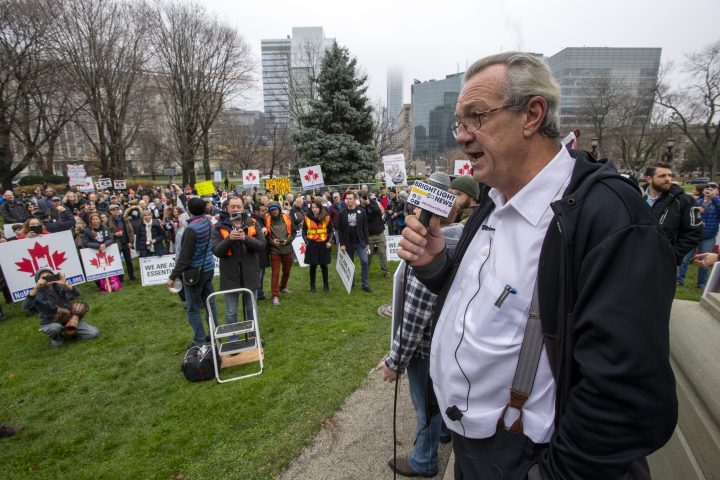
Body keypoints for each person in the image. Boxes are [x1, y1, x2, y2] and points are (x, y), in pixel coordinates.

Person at [398, 52, 676, 479]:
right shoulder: (493, 200)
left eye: (476, 117)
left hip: (532, 457)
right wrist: (435, 263)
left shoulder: (608, 217)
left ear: (532, 114)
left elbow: (626, 395)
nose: (464, 137)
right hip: (475, 445)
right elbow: (484, 303)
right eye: (460, 122)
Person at [378, 216, 462, 478]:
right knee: (439, 398)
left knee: (426, 406)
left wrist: (395, 361)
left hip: (426, 349)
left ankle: (423, 460)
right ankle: (445, 432)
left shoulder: (428, 250)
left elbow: (415, 314)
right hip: (449, 344)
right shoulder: (464, 238)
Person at [167, 197, 218, 347]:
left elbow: (184, 257)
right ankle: (215, 334)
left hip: (194, 273)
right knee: (210, 303)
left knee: (193, 308)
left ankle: (199, 340)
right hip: (208, 267)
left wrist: (173, 276)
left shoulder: (190, 230)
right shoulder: (208, 222)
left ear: (189, 211)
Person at [212, 197, 264, 330]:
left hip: (250, 273)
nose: (236, 209)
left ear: (243, 207)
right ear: (227, 208)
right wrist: (229, 239)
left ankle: (254, 336)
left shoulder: (252, 223)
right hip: (230, 275)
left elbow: (261, 246)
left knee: (251, 309)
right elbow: (217, 251)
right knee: (231, 311)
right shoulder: (219, 226)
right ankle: (233, 339)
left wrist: (245, 238)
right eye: (233, 206)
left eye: (238, 206)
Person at [643, 162, 703, 265]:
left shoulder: (684, 201)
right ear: (649, 179)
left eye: (670, 175)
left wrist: (673, 255)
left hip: (664, 262)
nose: (668, 179)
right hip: (636, 258)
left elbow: (694, 233)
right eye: (662, 176)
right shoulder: (636, 197)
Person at [23, 269, 98, 349]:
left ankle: (70, 333)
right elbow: (25, 306)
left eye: (49, 276)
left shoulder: (60, 286)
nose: (47, 278)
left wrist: (65, 284)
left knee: (94, 333)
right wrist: (36, 287)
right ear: (38, 280)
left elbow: (77, 293)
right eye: (43, 277)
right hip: (50, 321)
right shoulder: (37, 292)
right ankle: (57, 339)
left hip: (68, 318)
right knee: (55, 328)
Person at [678, 182, 720, 288]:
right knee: (685, 259)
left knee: (705, 261)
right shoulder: (697, 201)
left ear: (717, 191)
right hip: (694, 236)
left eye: (712, 188)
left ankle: (701, 283)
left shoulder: (717, 203)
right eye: (707, 187)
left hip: (708, 238)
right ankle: (679, 279)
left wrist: (714, 198)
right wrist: (696, 210)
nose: (709, 189)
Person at [338, 192, 371, 293]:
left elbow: (365, 228)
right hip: (348, 243)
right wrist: (342, 244)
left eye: (350, 198)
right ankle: (351, 283)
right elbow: (340, 230)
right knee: (350, 264)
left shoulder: (361, 211)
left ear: (354, 199)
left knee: (364, 261)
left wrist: (367, 242)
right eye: (346, 199)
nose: (348, 200)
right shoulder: (342, 213)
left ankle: (365, 284)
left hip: (360, 242)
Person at [265, 201, 293, 306]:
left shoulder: (287, 218)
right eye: (272, 210)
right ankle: (275, 295)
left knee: (287, 270)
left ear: (279, 209)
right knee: (275, 273)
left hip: (287, 249)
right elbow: (265, 235)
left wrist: (288, 241)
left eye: (275, 209)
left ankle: (283, 287)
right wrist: (272, 241)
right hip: (275, 250)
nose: (274, 211)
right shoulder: (267, 219)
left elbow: (293, 233)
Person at [302, 199, 333, 293]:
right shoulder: (307, 217)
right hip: (312, 243)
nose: (314, 209)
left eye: (316, 207)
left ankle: (326, 286)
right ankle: (312, 287)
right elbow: (304, 232)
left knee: (324, 265)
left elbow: (331, 231)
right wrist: (307, 241)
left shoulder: (326, 217)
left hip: (324, 243)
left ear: (320, 208)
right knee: (313, 265)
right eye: (312, 207)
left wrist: (329, 241)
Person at [361, 193, 390, 278]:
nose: (364, 199)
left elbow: (377, 211)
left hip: (379, 233)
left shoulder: (373, 202)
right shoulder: (360, 207)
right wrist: (364, 205)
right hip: (369, 236)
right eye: (362, 198)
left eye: (365, 198)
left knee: (382, 253)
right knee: (368, 255)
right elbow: (362, 216)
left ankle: (386, 271)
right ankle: (366, 271)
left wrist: (368, 203)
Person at [107, 204, 135, 281]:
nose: (116, 211)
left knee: (129, 261)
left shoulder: (124, 218)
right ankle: (120, 278)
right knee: (117, 262)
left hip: (126, 243)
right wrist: (114, 234)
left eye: (117, 209)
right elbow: (106, 233)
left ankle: (132, 276)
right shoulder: (107, 221)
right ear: (110, 211)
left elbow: (130, 230)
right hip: (115, 244)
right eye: (113, 210)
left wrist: (131, 242)